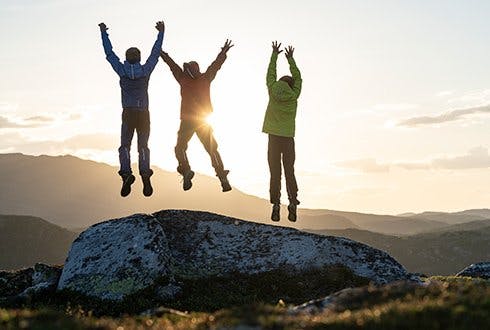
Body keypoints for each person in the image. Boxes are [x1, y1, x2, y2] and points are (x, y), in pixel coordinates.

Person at [98, 21, 164, 197]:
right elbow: (155, 54)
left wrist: (104, 33)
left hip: (128, 113)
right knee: (143, 146)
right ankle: (145, 173)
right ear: (139, 58)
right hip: (143, 113)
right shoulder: (145, 70)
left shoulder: (121, 69)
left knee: (124, 146)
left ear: (126, 58)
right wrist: (161, 34)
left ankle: (126, 174)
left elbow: (109, 53)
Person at [160, 40, 234, 192]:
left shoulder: (183, 78)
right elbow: (216, 65)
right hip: (203, 120)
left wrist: (161, 53)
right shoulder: (205, 78)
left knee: (180, 148)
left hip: (187, 120)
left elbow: (172, 65)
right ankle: (222, 177)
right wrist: (224, 52)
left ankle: (186, 170)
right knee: (212, 149)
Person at [262, 41, 302, 222]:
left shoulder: (272, 89)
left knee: (275, 172)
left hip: (273, 137)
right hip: (288, 139)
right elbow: (299, 77)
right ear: (292, 85)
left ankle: (276, 204)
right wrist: (291, 59)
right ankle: (292, 202)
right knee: (289, 171)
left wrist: (274, 55)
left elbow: (270, 74)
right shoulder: (294, 95)